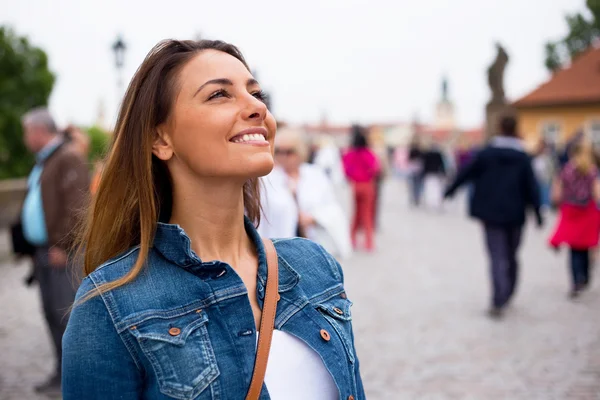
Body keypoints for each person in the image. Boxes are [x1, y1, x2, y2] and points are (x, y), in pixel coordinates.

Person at [62, 39, 364, 400]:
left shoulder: (315, 266)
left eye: (256, 93)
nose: (256, 107)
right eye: (220, 94)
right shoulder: (110, 304)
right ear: (161, 139)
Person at [19, 108, 90, 396]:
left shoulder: (67, 157)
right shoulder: (47, 159)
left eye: (27, 133)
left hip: (61, 252)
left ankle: (72, 379)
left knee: (64, 317)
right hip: (45, 251)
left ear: (39, 131)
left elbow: (78, 206)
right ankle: (61, 374)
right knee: (51, 313)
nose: (25, 139)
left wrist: (64, 245)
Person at [444, 116, 543, 318]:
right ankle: (508, 291)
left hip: (490, 213)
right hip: (516, 213)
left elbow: (466, 172)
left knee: (496, 256)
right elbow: (532, 187)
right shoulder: (523, 157)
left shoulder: (486, 153)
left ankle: (498, 298)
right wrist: (538, 212)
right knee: (512, 255)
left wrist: (450, 190)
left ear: (498, 128)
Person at [259, 127, 352, 260]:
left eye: (289, 152)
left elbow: (332, 207)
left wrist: (313, 218)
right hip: (278, 253)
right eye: (279, 151)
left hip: (312, 248)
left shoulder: (315, 174)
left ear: (300, 151)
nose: (283, 157)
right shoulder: (265, 180)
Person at [549, 143, 600, 298]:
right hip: (588, 211)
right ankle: (584, 276)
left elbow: (557, 191)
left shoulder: (566, 169)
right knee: (586, 245)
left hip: (571, 210)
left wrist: (556, 202)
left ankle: (576, 281)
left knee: (574, 248)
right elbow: (597, 192)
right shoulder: (592, 170)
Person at [342, 126, 380, 251]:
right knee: (367, 214)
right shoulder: (368, 153)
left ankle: (351, 239)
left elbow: (346, 170)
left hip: (355, 186)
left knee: (356, 214)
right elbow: (375, 168)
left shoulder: (349, 154)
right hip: (367, 185)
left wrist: (354, 175)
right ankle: (369, 243)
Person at [421, 139, 447, 211]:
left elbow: (424, 165)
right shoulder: (438, 154)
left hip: (429, 173)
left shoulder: (427, 154)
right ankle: (435, 202)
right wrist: (444, 173)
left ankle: (431, 202)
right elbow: (442, 164)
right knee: (436, 188)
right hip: (436, 173)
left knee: (430, 188)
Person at [407, 136, 424, 207]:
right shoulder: (420, 151)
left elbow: (409, 159)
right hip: (418, 169)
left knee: (414, 185)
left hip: (414, 169)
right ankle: (416, 198)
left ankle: (415, 198)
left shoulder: (412, 150)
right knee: (417, 185)